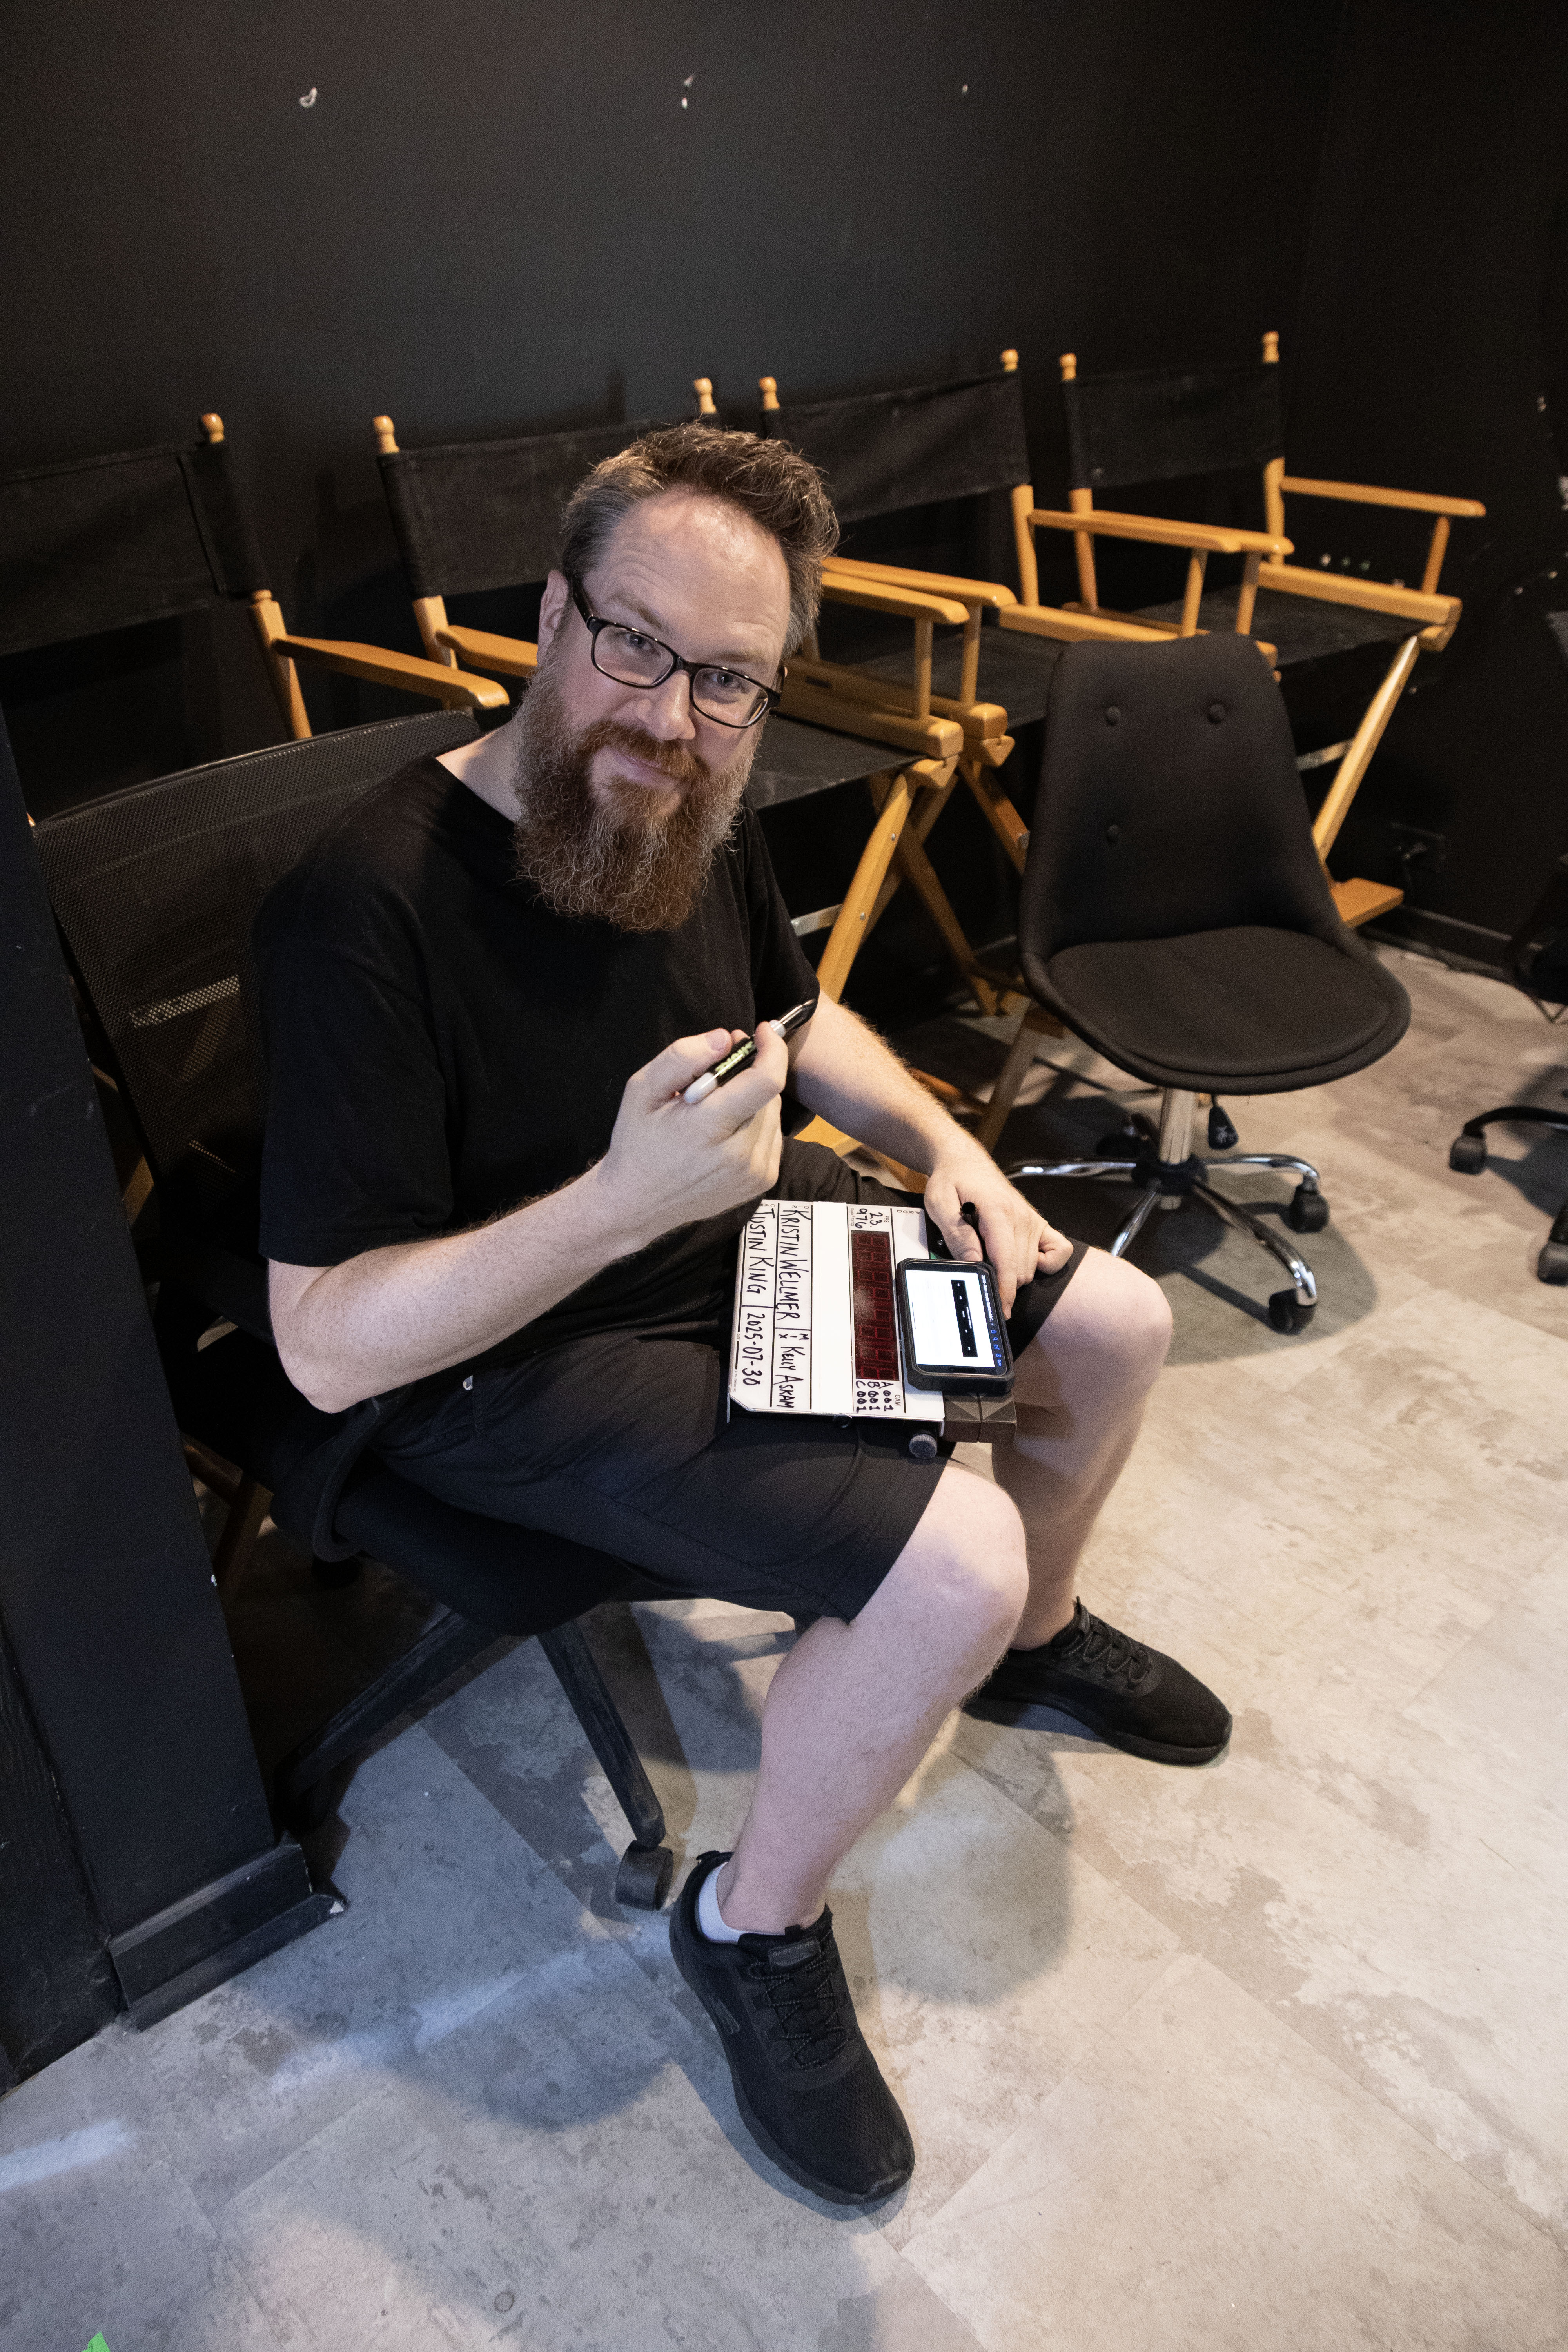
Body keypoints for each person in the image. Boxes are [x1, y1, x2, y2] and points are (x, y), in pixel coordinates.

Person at [257, 424, 1230, 2209]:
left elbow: (799, 1019)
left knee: (1112, 1328)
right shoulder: (361, 907)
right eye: (636, 644)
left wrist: (947, 1148)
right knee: (948, 1561)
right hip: (505, 1362)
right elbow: (321, 1345)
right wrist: (620, 1203)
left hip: (717, 1250)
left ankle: (1037, 1645)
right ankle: (749, 1922)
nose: (673, 716)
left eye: (728, 679)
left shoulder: (681, 806)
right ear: (552, 614)